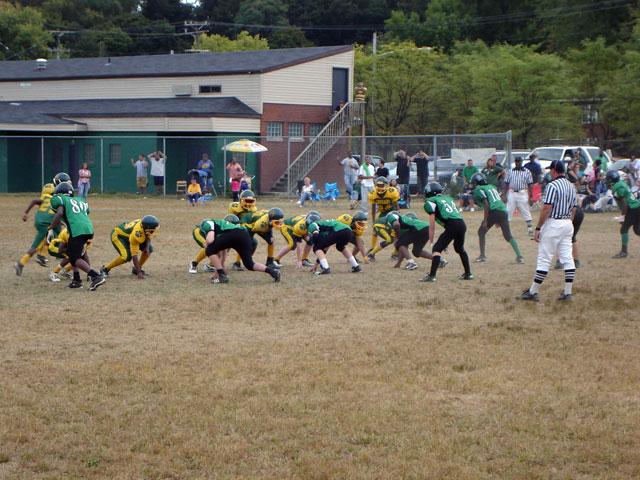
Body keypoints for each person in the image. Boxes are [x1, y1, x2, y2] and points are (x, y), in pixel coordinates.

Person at [518, 160, 577, 302]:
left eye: (551, 170)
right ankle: (568, 292)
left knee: (544, 258)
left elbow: (546, 208)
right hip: (567, 223)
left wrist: (538, 227)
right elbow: (574, 207)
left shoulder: (552, 185)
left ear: (554, 170)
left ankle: (533, 292)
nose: (550, 172)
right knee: (567, 258)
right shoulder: (571, 185)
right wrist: (569, 221)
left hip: (554, 224)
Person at [47, 182, 106, 290]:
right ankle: (76, 280)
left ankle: (95, 276)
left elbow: (59, 213)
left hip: (77, 230)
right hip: (88, 228)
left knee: (74, 258)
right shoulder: (80, 200)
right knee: (72, 253)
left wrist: (51, 227)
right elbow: (82, 213)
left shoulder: (60, 199)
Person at [201, 216, 281, 284]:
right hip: (244, 234)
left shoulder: (207, 223)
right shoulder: (224, 229)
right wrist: (218, 272)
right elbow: (223, 255)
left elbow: (210, 240)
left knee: (209, 250)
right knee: (249, 264)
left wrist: (206, 243)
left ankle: (222, 276)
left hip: (235, 234)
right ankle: (274, 272)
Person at [421, 182, 473, 282]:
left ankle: (432, 276)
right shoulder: (448, 198)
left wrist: (431, 240)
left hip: (452, 225)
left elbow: (432, 225)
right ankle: (468, 274)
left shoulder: (431, 201)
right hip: (461, 224)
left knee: (436, 249)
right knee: (459, 248)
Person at [471, 173, 524, 264]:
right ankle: (520, 256)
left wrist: (485, 220)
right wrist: (497, 219)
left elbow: (486, 205)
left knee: (481, 232)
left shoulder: (479, 189)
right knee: (508, 236)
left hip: (494, 211)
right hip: (503, 210)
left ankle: (482, 256)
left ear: (476, 182)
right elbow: (498, 200)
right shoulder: (492, 186)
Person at [15, 183, 60, 275]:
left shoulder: (44, 197)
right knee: (38, 245)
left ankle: (41, 256)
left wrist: (26, 213)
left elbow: (34, 201)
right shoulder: (56, 201)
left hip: (40, 222)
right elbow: (58, 215)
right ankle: (21, 263)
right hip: (46, 224)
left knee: (50, 237)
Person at [100, 215, 159, 279]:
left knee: (149, 249)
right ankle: (105, 269)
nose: (154, 231)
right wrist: (139, 273)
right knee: (126, 256)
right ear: (146, 228)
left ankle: (136, 269)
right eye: (152, 230)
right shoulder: (137, 233)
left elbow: (148, 236)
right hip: (119, 235)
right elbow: (134, 255)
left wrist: (147, 247)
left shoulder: (144, 227)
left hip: (129, 236)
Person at [607, 169, 640, 258]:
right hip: (637, 206)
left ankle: (624, 252)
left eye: (608, 179)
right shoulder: (620, 183)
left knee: (624, 229)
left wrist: (622, 216)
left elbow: (625, 203)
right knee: (637, 230)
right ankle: (624, 252)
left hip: (632, 208)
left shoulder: (618, 188)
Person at [368, 176, 400, 254]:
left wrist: (398, 215)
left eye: (381, 185)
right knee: (375, 229)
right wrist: (373, 220)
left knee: (396, 233)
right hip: (383, 213)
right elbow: (373, 207)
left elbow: (396, 204)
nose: (379, 187)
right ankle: (372, 247)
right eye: (378, 185)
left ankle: (396, 252)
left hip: (392, 212)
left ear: (386, 185)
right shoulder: (373, 193)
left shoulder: (391, 192)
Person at [504, 156, 534, 236]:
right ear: (515, 162)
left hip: (522, 193)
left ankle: (530, 229)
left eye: (519, 161)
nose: (518, 163)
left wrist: (531, 196)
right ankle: (507, 230)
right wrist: (504, 195)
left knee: (525, 210)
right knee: (508, 210)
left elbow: (530, 184)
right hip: (512, 193)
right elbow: (506, 183)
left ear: (521, 162)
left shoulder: (527, 172)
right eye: (517, 161)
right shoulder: (510, 171)